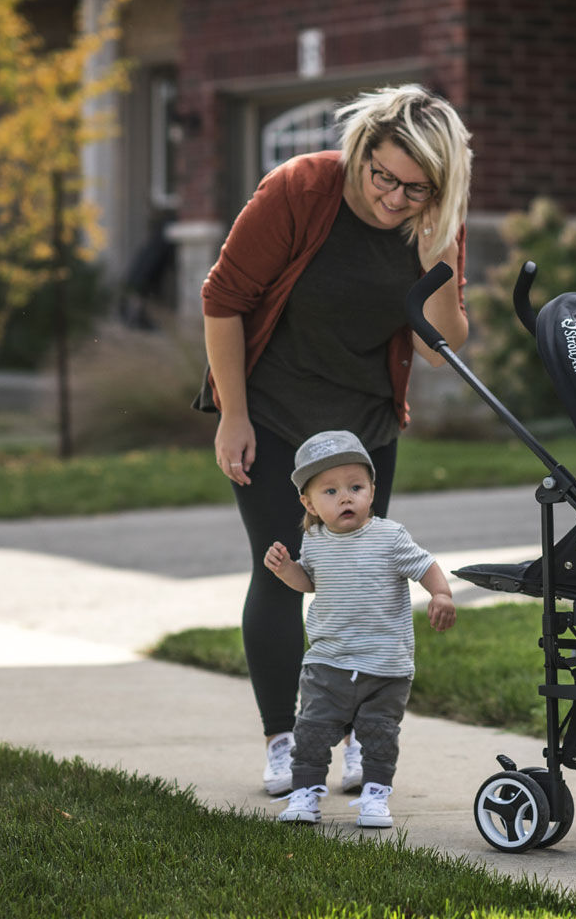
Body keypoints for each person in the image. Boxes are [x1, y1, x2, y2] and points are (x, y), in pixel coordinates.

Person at [194, 83, 472, 796]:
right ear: (361, 151)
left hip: (363, 425)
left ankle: (345, 733)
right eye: (384, 177)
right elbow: (223, 299)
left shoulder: (430, 220)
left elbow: (442, 348)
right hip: (276, 411)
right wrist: (233, 413)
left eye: (417, 188)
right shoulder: (302, 189)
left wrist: (438, 238)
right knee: (282, 570)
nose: (394, 198)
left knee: (360, 579)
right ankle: (284, 738)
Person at [262, 429, 456, 826]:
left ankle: (375, 795)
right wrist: (288, 572)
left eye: (355, 486)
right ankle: (305, 793)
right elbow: (311, 582)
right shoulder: (314, 540)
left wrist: (441, 595)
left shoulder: (389, 536)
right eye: (330, 492)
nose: (345, 497)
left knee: (379, 734)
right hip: (328, 660)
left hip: (385, 665)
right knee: (312, 730)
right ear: (308, 503)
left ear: (371, 489)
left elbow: (425, 566)